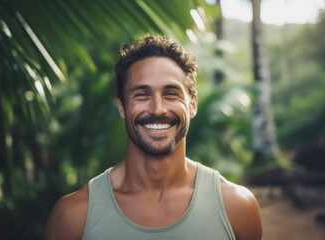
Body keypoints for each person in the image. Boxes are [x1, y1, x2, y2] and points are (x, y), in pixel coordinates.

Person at [46, 35, 263, 240]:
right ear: (122, 107)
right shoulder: (73, 217)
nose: (157, 109)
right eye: (141, 94)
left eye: (171, 94)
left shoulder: (236, 207)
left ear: (192, 105)